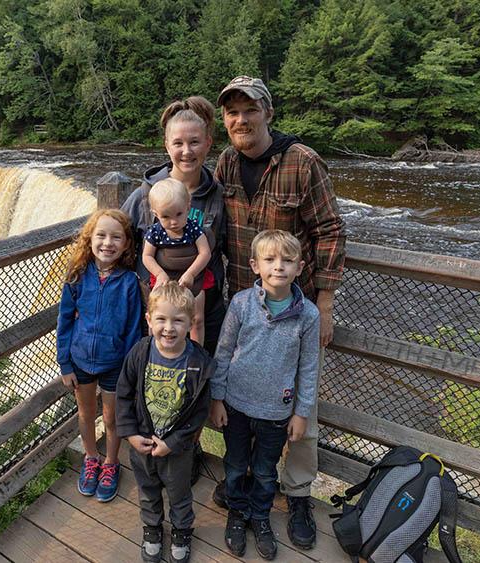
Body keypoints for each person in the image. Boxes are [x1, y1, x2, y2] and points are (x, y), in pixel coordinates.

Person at [214, 75, 346, 550]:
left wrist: (325, 302)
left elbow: (330, 230)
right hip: (243, 308)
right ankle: (245, 481)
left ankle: (298, 492)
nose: (240, 120)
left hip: (295, 313)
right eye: (232, 112)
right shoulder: (226, 163)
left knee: (298, 405)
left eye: (249, 110)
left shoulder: (301, 162)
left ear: (268, 113)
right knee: (245, 399)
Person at [210, 230, 320, 560]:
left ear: (299, 267)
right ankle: (237, 514)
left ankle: (260, 517)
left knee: (264, 470)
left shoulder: (308, 315)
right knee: (235, 465)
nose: (279, 267)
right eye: (270, 260)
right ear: (255, 266)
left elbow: (309, 367)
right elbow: (224, 351)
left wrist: (301, 412)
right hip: (236, 405)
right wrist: (217, 398)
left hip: (276, 410)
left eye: (287, 260)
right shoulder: (242, 304)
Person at [116, 282, 215, 563]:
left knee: (179, 492)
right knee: (147, 490)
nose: (168, 328)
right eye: (161, 319)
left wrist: (173, 443)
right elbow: (123, 395)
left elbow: (199, 411)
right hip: (142, 442)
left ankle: (182, 530)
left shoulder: (197, 362)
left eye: (178, 321)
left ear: (191, 323)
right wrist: (131, 435)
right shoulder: (140, 353)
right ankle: (152, 528)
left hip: (177, 448)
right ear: (149, 320)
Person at [121, 96, 227, 354]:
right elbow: (113, 244)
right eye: (178, 143)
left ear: (208, 143)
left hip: (203, 315)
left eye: (194, 142)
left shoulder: (218, 197)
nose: (186, 151)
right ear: (167, 145)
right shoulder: (145, 196)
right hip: (155, 317)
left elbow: (227, 250)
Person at [56, 208, 143, 503]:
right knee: (85, 412)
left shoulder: (129, 282)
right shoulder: (77, 276)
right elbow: (65, 320)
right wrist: (64, 362)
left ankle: (110, 462)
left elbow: (134, 329)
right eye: (101, 235)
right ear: (89, 239)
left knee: (112, 417)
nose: (108, 243)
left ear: (126, 243)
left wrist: (129, 369)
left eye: (116, 237)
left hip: (114, 364)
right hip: (80, 361)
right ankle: (91, 458)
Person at [142, 178, 212, 344]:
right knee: (157, 316)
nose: (173, 222)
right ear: (155, 214)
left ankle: (196, 351)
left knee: (197, 319)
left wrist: (191, 274)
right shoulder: (156, 232)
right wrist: (159, 274)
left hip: (192, 278)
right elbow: (147, 256)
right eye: (166, 216)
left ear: (188, 207)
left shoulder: (193, 228)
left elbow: (205, 253)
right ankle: (155, 348)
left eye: (179, 214)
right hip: (165, 278)